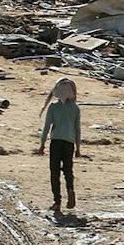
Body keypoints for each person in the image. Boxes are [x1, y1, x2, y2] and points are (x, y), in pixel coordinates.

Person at [38, 78, 82, 214]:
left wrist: (42, 144)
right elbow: (77, 129)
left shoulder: (53, 107)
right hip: (69, 142)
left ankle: (57, 202)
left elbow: (47, 127)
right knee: (68, 170)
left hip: (56, 141)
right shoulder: (75, 108)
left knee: (54, 172)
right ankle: (70, 189)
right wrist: (78, 148)